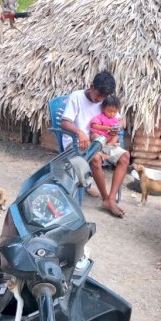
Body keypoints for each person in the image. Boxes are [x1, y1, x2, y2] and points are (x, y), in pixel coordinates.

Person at [60, 71, 130, 218]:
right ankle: (106, 199)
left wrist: (118, 126)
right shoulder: (77, 97)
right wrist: (79, 131)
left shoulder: (104, 100)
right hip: (77, 144)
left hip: (101, 142)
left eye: (104, 97)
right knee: (96, 157)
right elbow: (64, 122)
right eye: (98, 95)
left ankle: (111, 198)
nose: (100, 100)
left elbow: (121, 120)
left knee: (125, 156)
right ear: (91, 86)